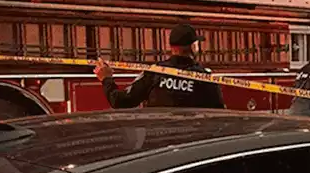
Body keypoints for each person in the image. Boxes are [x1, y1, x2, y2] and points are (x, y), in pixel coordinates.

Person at [95, 23, 225, 109]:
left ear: (171, 47)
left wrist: (106, 79)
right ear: (193, 46)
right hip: (192, 144)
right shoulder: (205, 77)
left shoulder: (154, 73)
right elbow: (219, 114)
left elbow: (119, 101)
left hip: (159, 141)